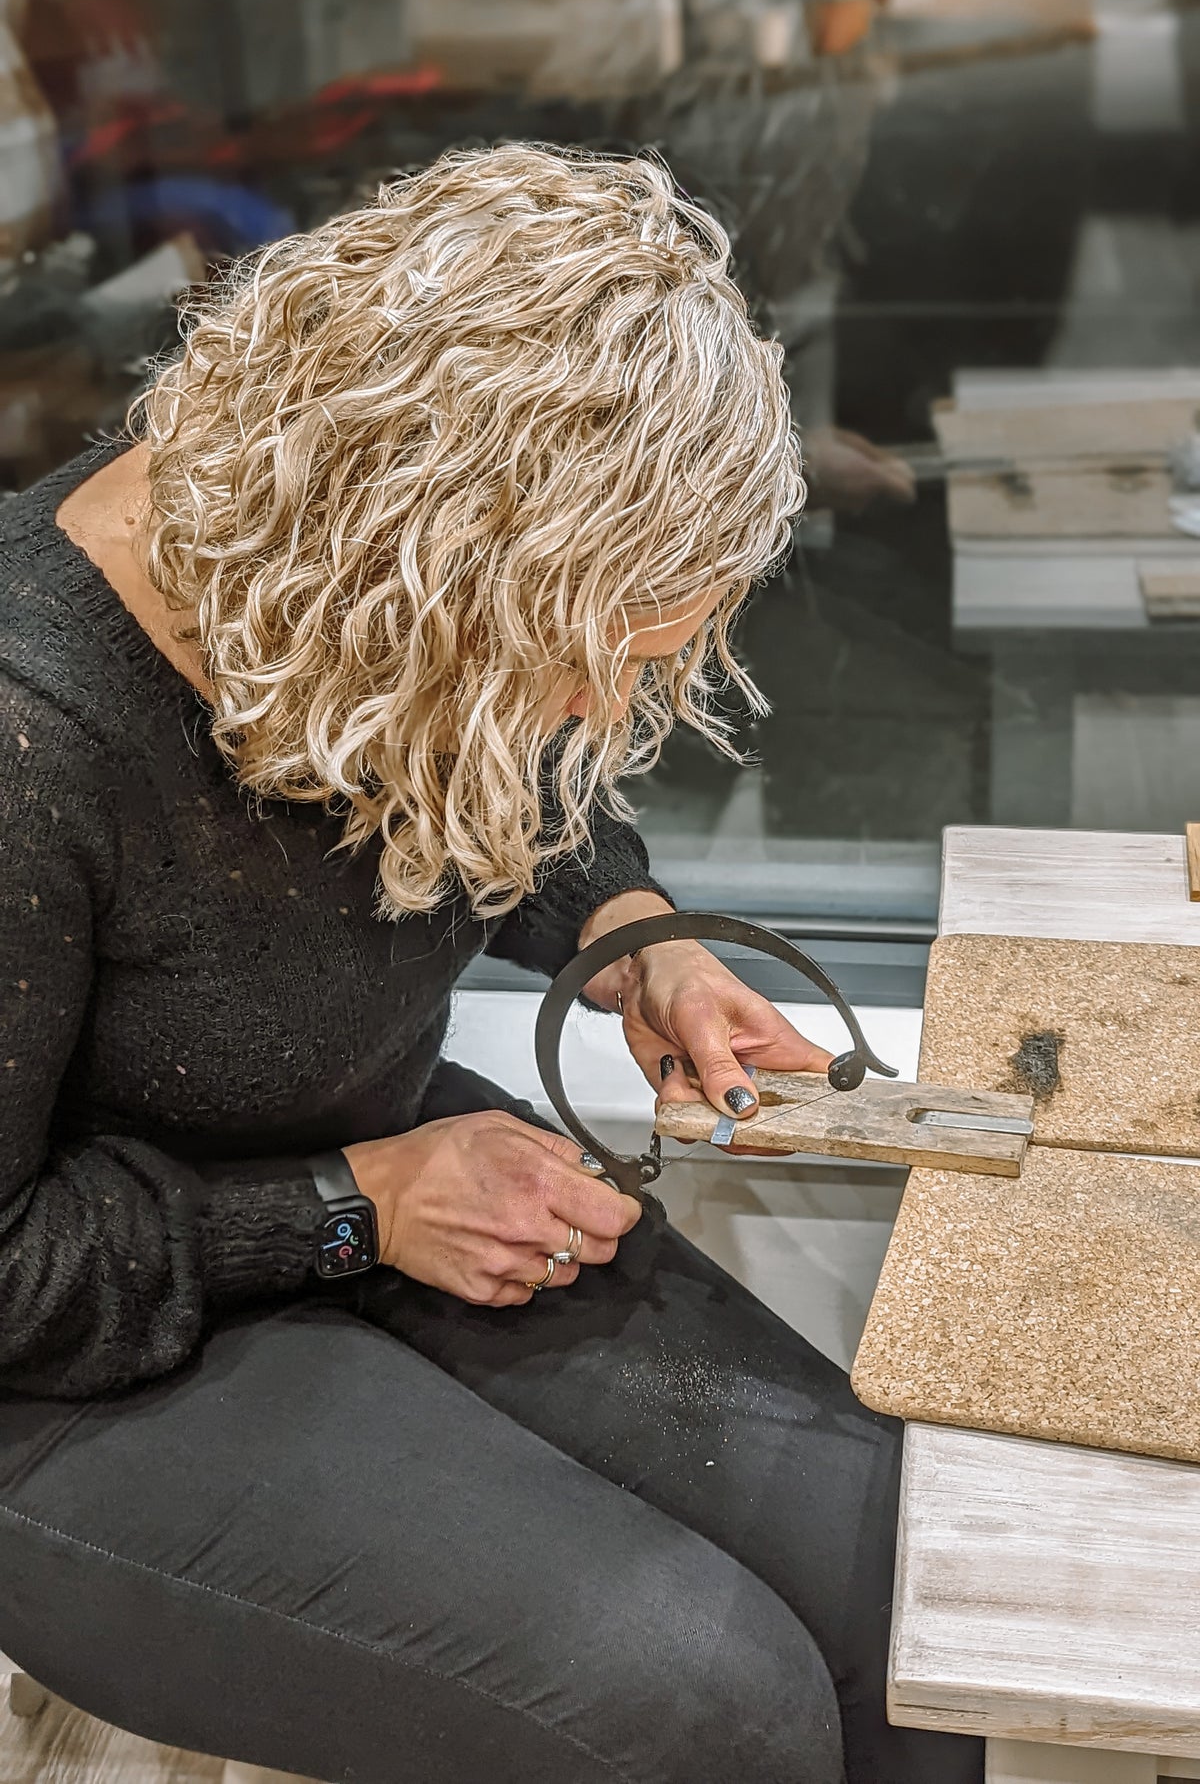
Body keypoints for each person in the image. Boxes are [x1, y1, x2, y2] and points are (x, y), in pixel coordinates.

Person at [0, 144, 982, 1784]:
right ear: (433, 553)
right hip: (77, 1364)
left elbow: (485, 755)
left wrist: (627, 934)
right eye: (581, 660)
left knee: (912, 1586)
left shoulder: (328, 562)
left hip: (375, 1186)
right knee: (710, 1701)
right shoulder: (30, 733)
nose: (596, 721)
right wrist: (357, 1199)